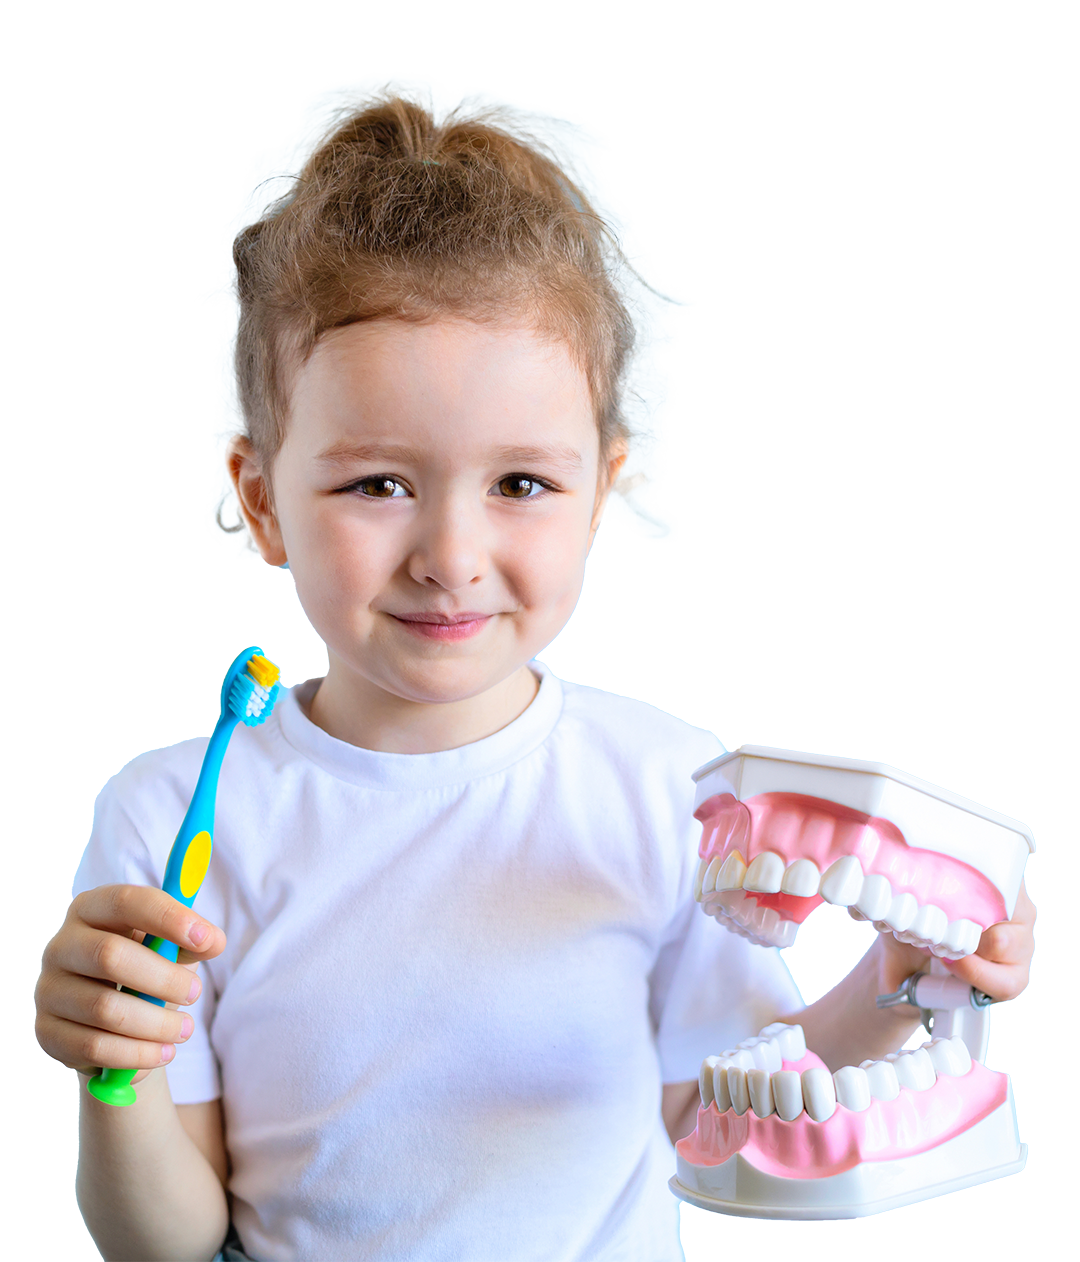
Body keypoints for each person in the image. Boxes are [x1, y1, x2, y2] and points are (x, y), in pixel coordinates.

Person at [33, 84, 1036, 1262]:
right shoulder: (170, 826)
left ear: (601, 490)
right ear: (261, 498)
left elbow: (714, 1115)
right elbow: (164, 1238)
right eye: (378, 484)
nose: (453, 557)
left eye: (521, 483)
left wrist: (899, 979)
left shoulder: (673, 788)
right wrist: (119, 1071)